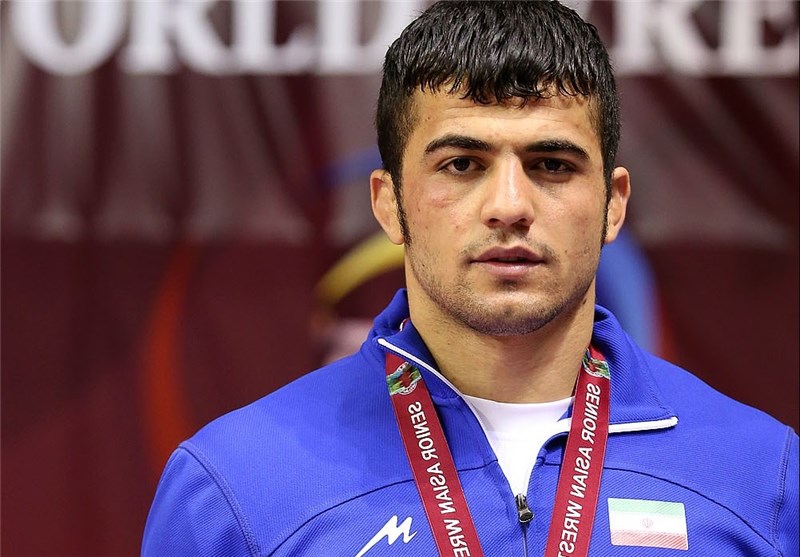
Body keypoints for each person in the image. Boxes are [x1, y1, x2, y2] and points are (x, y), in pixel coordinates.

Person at [142, 1, 798, 555]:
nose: (509, 205)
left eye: (552, 164)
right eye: (462, 164)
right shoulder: (235, 487)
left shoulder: (764, 480)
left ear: (614, 204)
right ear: (388, 204)